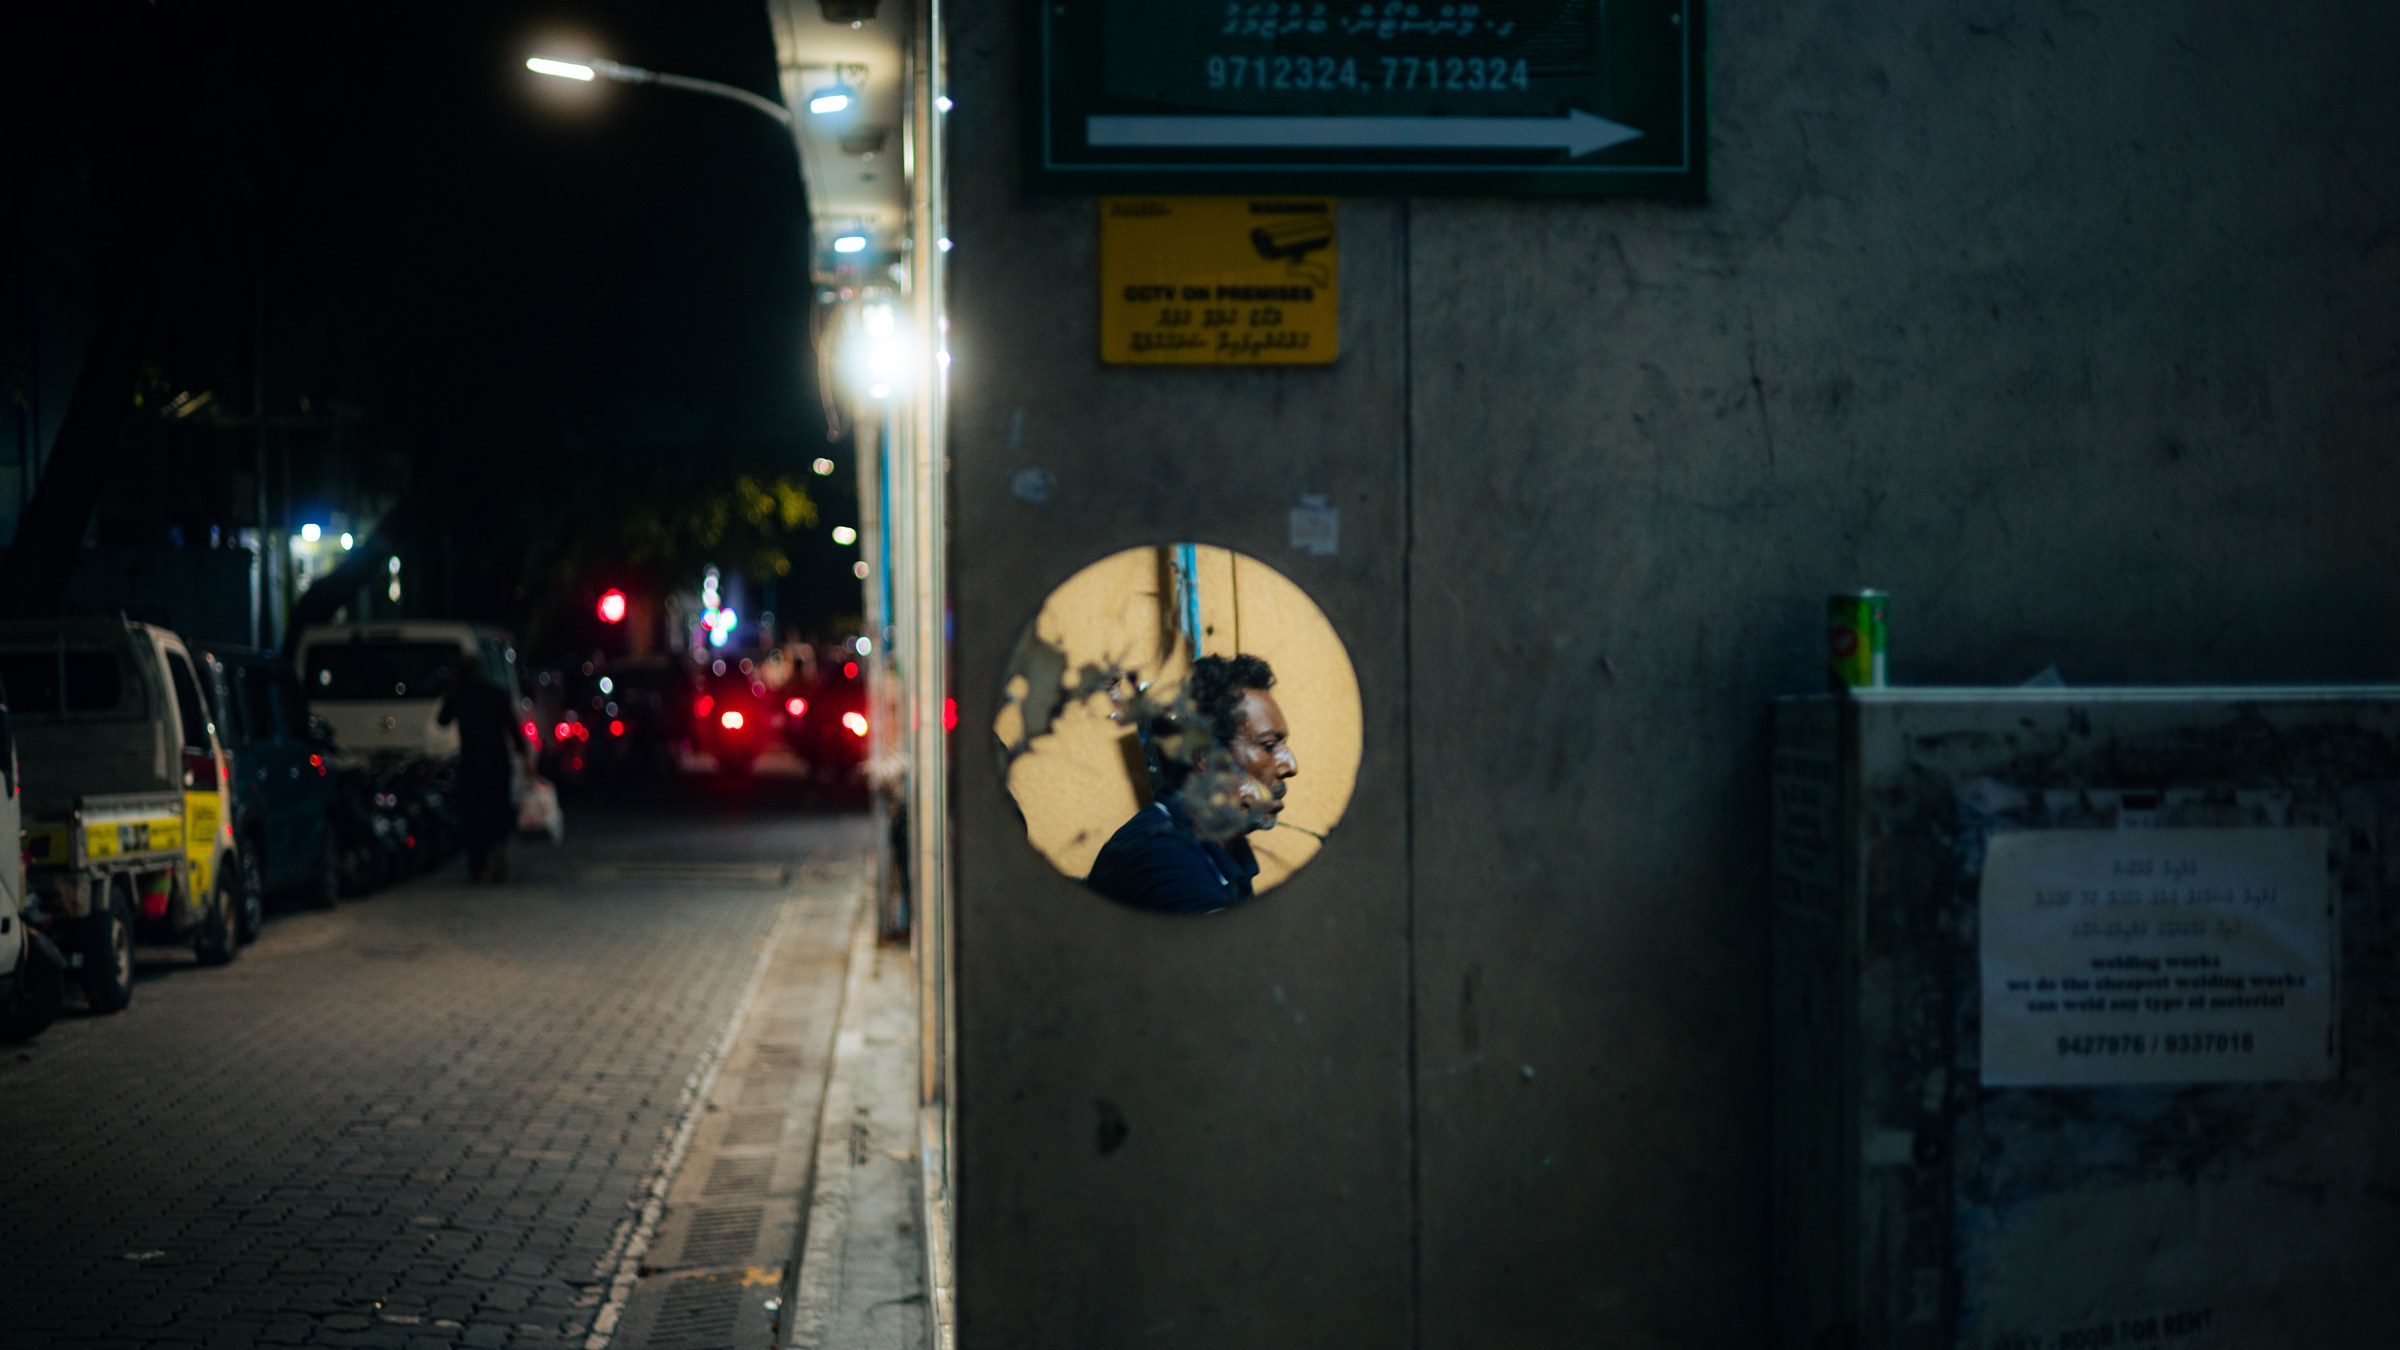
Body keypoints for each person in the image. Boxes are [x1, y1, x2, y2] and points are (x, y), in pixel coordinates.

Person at [1086, 653, 1299, 915]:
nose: (1290, 766)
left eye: (1283, 746)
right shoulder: (1161, 855)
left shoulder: (1230, 849)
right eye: (1268, 746)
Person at [437, 655, 518, 882]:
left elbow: (442, 720)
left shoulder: (460, 696)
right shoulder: (497, 693)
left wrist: (451, 691)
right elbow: (512, 728)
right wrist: (525, 757)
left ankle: (479, 867)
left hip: (472, 764)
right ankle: (498, 846)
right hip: (498, 763)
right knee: (497, 809)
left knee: (474, 816)